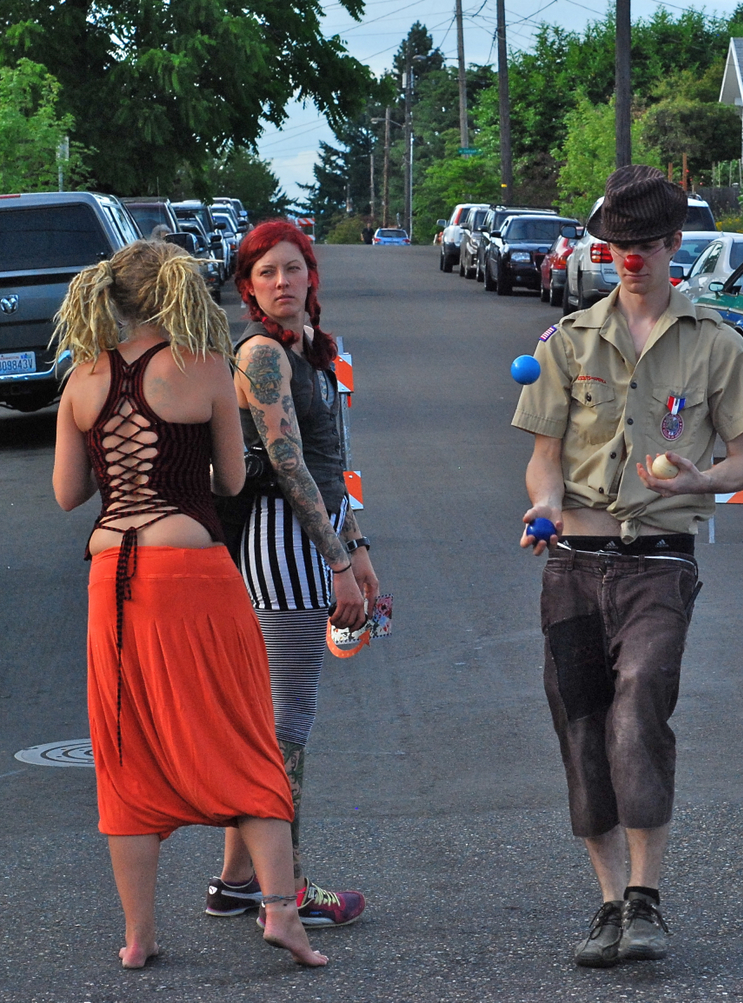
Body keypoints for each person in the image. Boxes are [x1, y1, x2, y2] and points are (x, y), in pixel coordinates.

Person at [512, 165, 743, 968]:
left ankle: (647, 898)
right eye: (618, 244)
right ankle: (609, 901)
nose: (631, 258)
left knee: (639, 707)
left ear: (673, 244)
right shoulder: (567, 341)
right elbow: (545, 458)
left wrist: (699, 479)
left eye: (646, 244)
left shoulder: (716, 343)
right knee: (581, 723)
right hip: (572, 559)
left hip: (658, 558)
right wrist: (543, 505)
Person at [51, 240, 326, 969]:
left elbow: (68, 493)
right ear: (176, 292)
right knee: (242, 731)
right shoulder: (205, 367)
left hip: (111, 575)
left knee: (125, 749)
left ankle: (138, 937)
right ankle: (280, 912)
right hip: (192, 568)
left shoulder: (82, 377)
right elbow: (231, 480)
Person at [205, 219, 378, 929]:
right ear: (248, 287)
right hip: (282, 542)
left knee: (270, 720)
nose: (282, 282)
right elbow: (287, 463)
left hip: (317, 534)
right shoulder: (262, 354)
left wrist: (357, 544)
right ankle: (291, 885)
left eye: (292, 268)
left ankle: (236, 882)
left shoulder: (310, 348)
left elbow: (333, 460)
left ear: (311, 275)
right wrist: (337, 563)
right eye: (266, 272)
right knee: (286, 723)